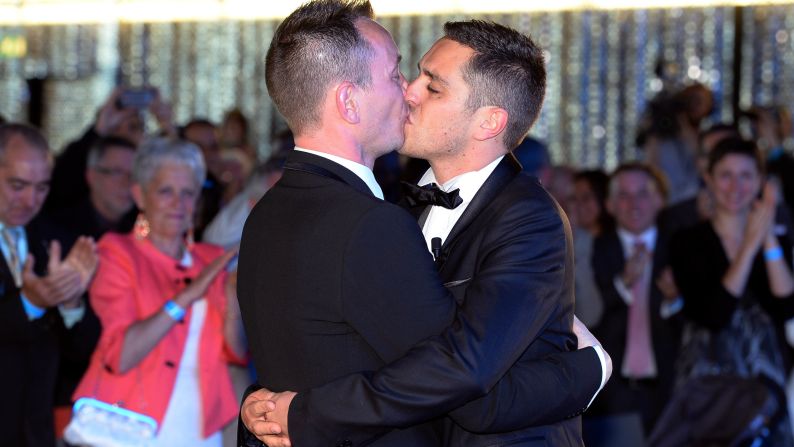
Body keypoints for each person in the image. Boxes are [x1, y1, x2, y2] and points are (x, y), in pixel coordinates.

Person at [237, 2, 609, 446]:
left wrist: (287, 410)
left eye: (433, 88)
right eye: (405, 74)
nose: (409, 92)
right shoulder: (383, 213)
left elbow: (466, 382)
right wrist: (590, 369)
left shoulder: (528, 218)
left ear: (489, 122)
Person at [72, 138, 247, 446]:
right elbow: (121, 355)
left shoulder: (212, 257)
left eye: (188, 193)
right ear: (140, 195)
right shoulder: (117, 253)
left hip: (200, 430)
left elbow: (234, 352)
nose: (178, 204)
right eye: (166, 191)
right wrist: (186, 298)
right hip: (127, 426)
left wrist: (233, 295)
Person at [669, 137, 794, 445]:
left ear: (760, 182)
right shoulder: (688, 242)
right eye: (726, 175)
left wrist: (768, 239)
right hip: (711, 388)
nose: (735, 186)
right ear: (709, 179)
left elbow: (787, 308)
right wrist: (749, 245)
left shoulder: (775, 239)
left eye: (746, 176)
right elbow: (714, 314)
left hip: (767, 383)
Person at [0, 123, 97, 447]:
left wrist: (71, 304)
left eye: (41, 187)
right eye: (17, 185)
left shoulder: (55, 238)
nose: (30, 200)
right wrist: (29, 303)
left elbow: (83, 350)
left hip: (36, 430)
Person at [586, 163, 683, 446]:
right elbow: (585, 317)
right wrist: (622, 284)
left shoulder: (680, 248)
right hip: (613, 395)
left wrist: (675, 300)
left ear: (659, 200)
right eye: (624, 195)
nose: (634, 203)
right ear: (610, 205)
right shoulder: (592, 249)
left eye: (642, 193)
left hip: (672, 391)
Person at [572, 169, 613, 327]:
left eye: (586, 198)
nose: (578, 205)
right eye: (574, 199)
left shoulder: (615, 244)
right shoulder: (572, 241)